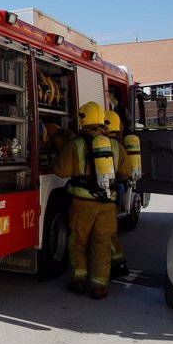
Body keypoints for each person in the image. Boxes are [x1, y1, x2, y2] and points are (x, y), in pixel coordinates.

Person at [54, 102, 131, 299]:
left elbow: (61, 171)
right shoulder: (114, 145)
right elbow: (126, 172)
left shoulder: (76, 144)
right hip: (107, 205)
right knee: (102, 243)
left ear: (83, 119)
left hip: (82, 204)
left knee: (78, 241)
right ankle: (99, 287)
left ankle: (78, 281)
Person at [104, 110, 129, 278]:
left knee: (102, 235)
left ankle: (111, 265)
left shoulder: (96, 143)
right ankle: (118, 264)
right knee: (109, 233)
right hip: (114, 194)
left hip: (97, 195)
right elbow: (126, 173)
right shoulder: (119, 145)